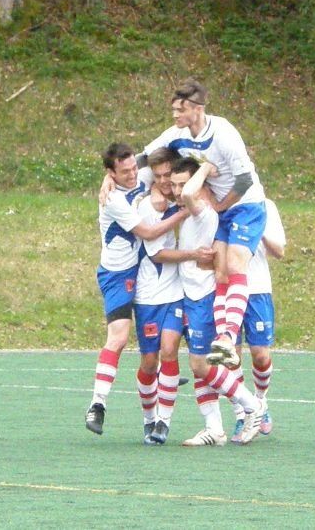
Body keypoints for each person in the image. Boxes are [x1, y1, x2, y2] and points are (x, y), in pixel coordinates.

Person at [140, 79, 266, 369]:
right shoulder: (177, 134)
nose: (175, 115)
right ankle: (226, 341)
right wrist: (111, 176)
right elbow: (145, 158)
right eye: (173, 109)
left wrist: (221, 206)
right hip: (218, 210)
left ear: (197, 109)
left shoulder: (223, 133)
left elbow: (244, 180)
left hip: (245, 205)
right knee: (220, 273)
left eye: (180, 109)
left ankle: (228, 336)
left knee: (234, 263)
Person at [85, 143, 188, 435]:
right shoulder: (112, 199)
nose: (132, 175)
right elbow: (149, 232)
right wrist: (183, 214)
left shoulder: (141, 173)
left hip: (143, 272)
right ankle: (97, 404)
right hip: (117, 274)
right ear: (110, 173)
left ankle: (164, 375)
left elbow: (164, 149)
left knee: (160, 348)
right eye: (124, 172)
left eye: (133, 168)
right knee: (118, 337)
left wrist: (157, 188)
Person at [169, 157, 266, 446]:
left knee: (200, 364)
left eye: (183, 184)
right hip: (189, 295)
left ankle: (251, 406)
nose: (178, 191)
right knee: (198, 364)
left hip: (203, 296)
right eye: (173, 185)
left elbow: (190, 193)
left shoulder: (202, 210)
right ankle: (214, 428)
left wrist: (206, 166)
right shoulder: (187, 211)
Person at [133, 147, 214, 445]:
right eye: (158, 177)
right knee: (149, 362)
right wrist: (193, 254)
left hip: (176, 293)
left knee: (169, 350)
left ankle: (163, 422)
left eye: (169, 175)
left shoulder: (182, 201)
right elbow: (157, 253)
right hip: (147, 295)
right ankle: (148, 418)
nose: (165, 182)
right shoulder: (148, 206)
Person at [227, 197, 286, 443]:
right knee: (231, 356)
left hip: (258, 290)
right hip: (227, 288)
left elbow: (279, 251)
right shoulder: (220, 203)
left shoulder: (265, 206)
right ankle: (242, 414)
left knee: (261, 355)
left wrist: (255, 229)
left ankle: (260, 402)